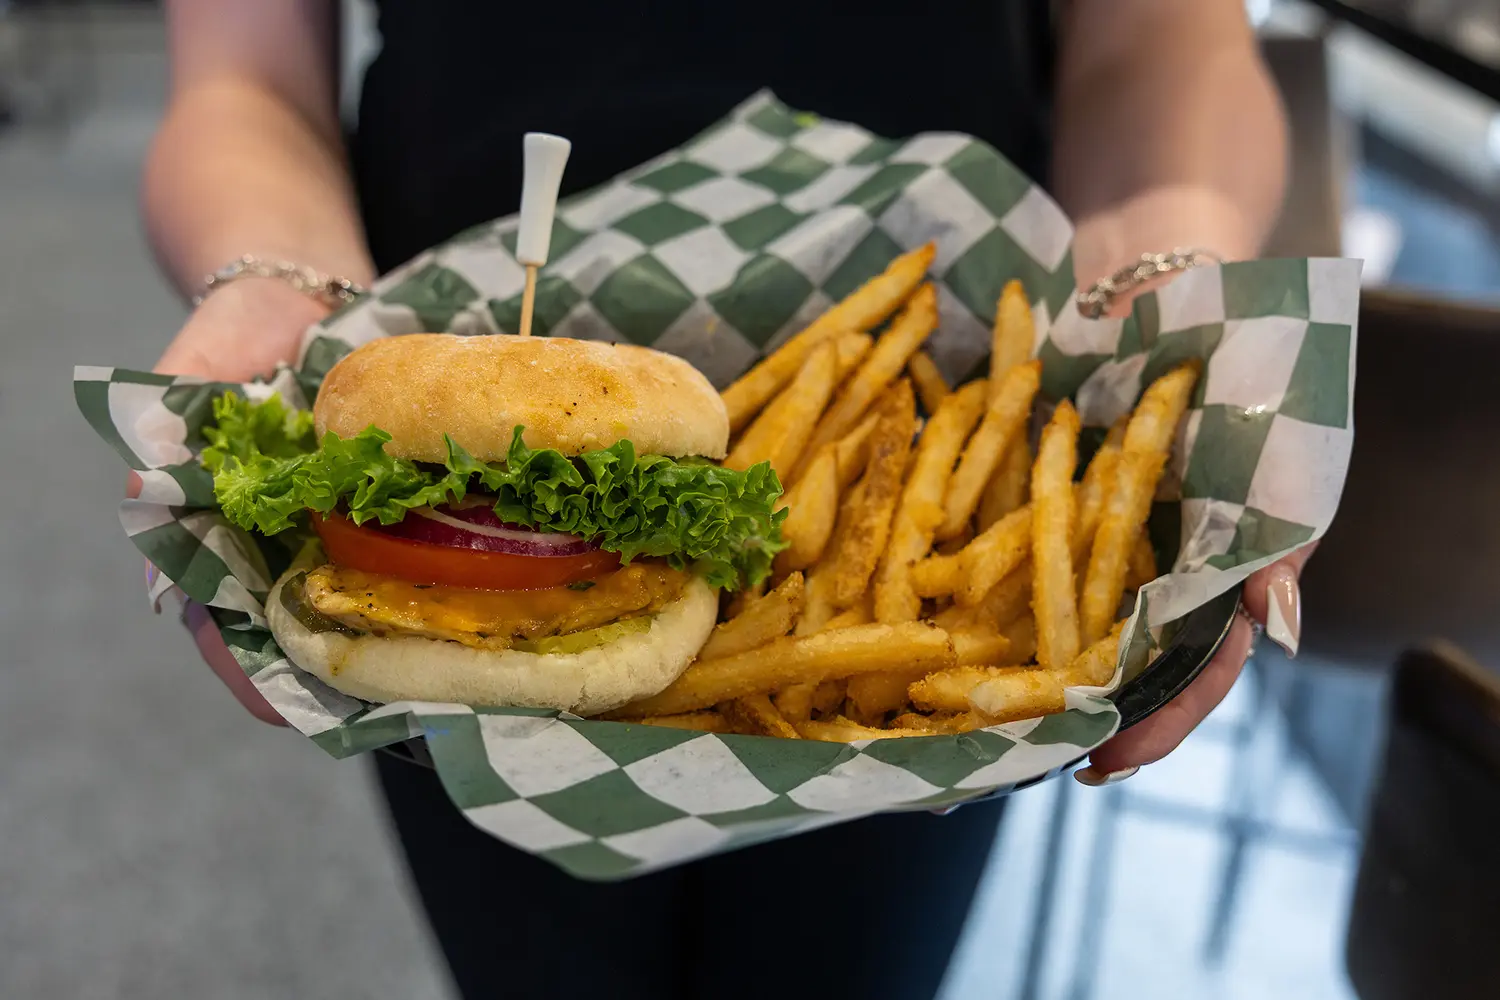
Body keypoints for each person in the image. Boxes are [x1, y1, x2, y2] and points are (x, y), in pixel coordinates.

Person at [139, 2, 1311, 996]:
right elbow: (246, 79)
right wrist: (278, 280)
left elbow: (1161, 46)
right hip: (419, 338)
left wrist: (1177, 303)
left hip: (928, 451)